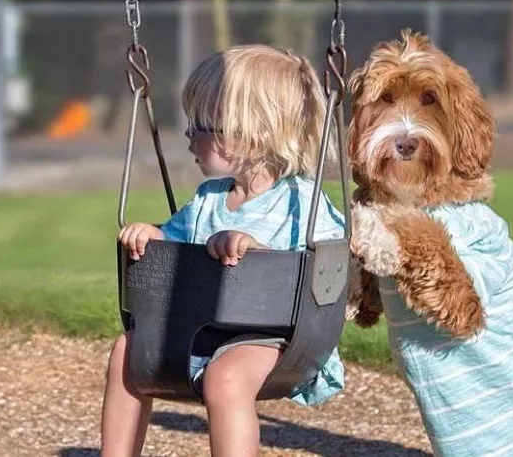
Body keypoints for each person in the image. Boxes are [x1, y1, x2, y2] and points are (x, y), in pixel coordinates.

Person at [101, 45, 346, 457]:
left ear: (254, 133)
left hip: (273, 341)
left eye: (202, 125)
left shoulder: (302, 200)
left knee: (225, 379)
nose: (188, 135)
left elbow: (334, 256)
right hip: (196, 333)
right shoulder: (207, 200)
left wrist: (257, 250)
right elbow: (172, 242)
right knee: (128, 349)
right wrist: (150, 236)